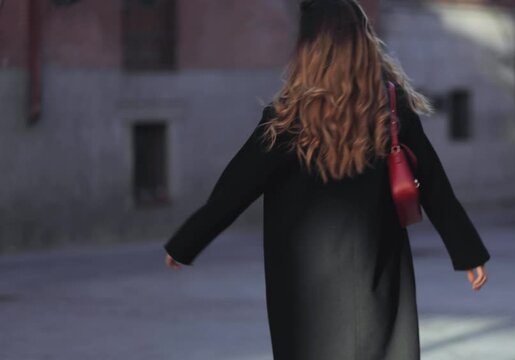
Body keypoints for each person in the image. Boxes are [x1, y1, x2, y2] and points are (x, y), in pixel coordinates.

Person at [163, 0, 490, 359]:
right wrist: (467, 252)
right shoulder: (390, 112)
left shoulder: (287, 120)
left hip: (307, 293)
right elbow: (434, 185)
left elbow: (234, 190)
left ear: (309, 47)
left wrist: (187, 243)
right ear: (364, 40)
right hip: (375, 277)